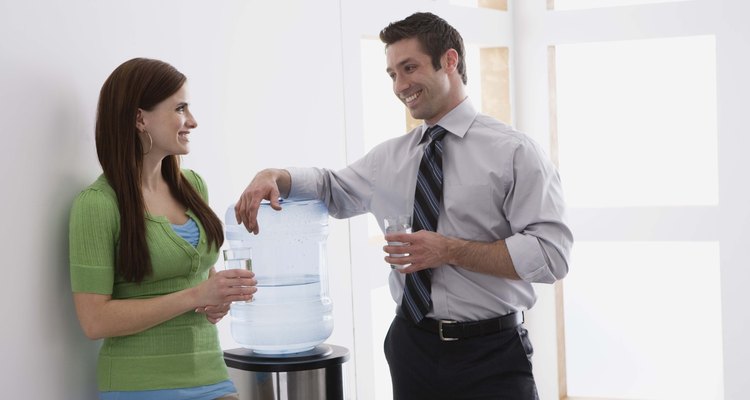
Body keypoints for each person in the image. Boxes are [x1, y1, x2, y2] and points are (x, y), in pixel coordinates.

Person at [235, 12, 573, 400]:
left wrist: (448, 250)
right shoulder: (389, 158)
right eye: (392, 74)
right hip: (412, 347)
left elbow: (552, 256)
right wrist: (275, 175)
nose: (400, 85)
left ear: (450, 61)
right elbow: (332, 188)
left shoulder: (514, 152)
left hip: (491, 353)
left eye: (409, 68)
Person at [69, 58, 256, 400]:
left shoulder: (193, 187)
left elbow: (200, 277)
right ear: (140, 119)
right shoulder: (97, 204)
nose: (193, 121)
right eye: (180, 108)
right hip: (141, 387)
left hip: (212, 375)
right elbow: (94, 321)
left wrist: (217, 299)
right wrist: (197, 295)